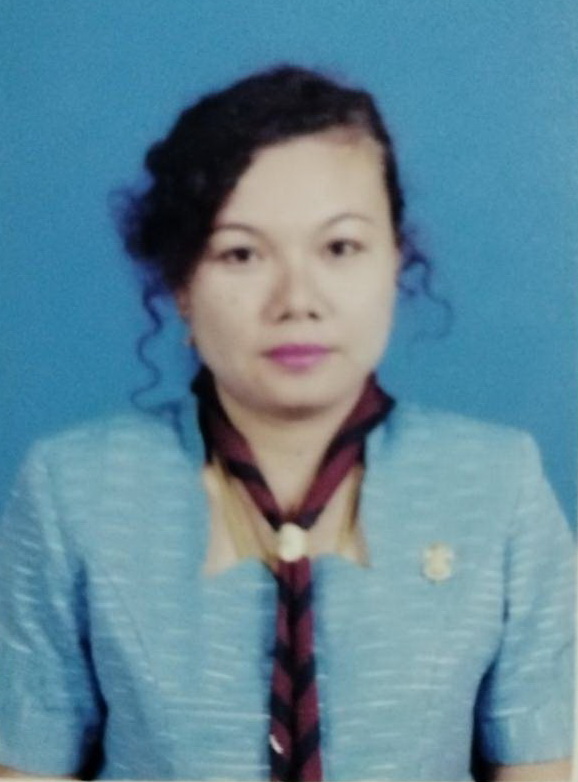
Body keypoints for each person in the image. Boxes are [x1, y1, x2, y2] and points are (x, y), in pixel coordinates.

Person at [0, 65, 574, 782]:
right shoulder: (73, 491)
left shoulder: (497, 486)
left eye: (339, 247)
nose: (297, 299)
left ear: (395, 259)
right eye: (241, 253)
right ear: (181, 284)